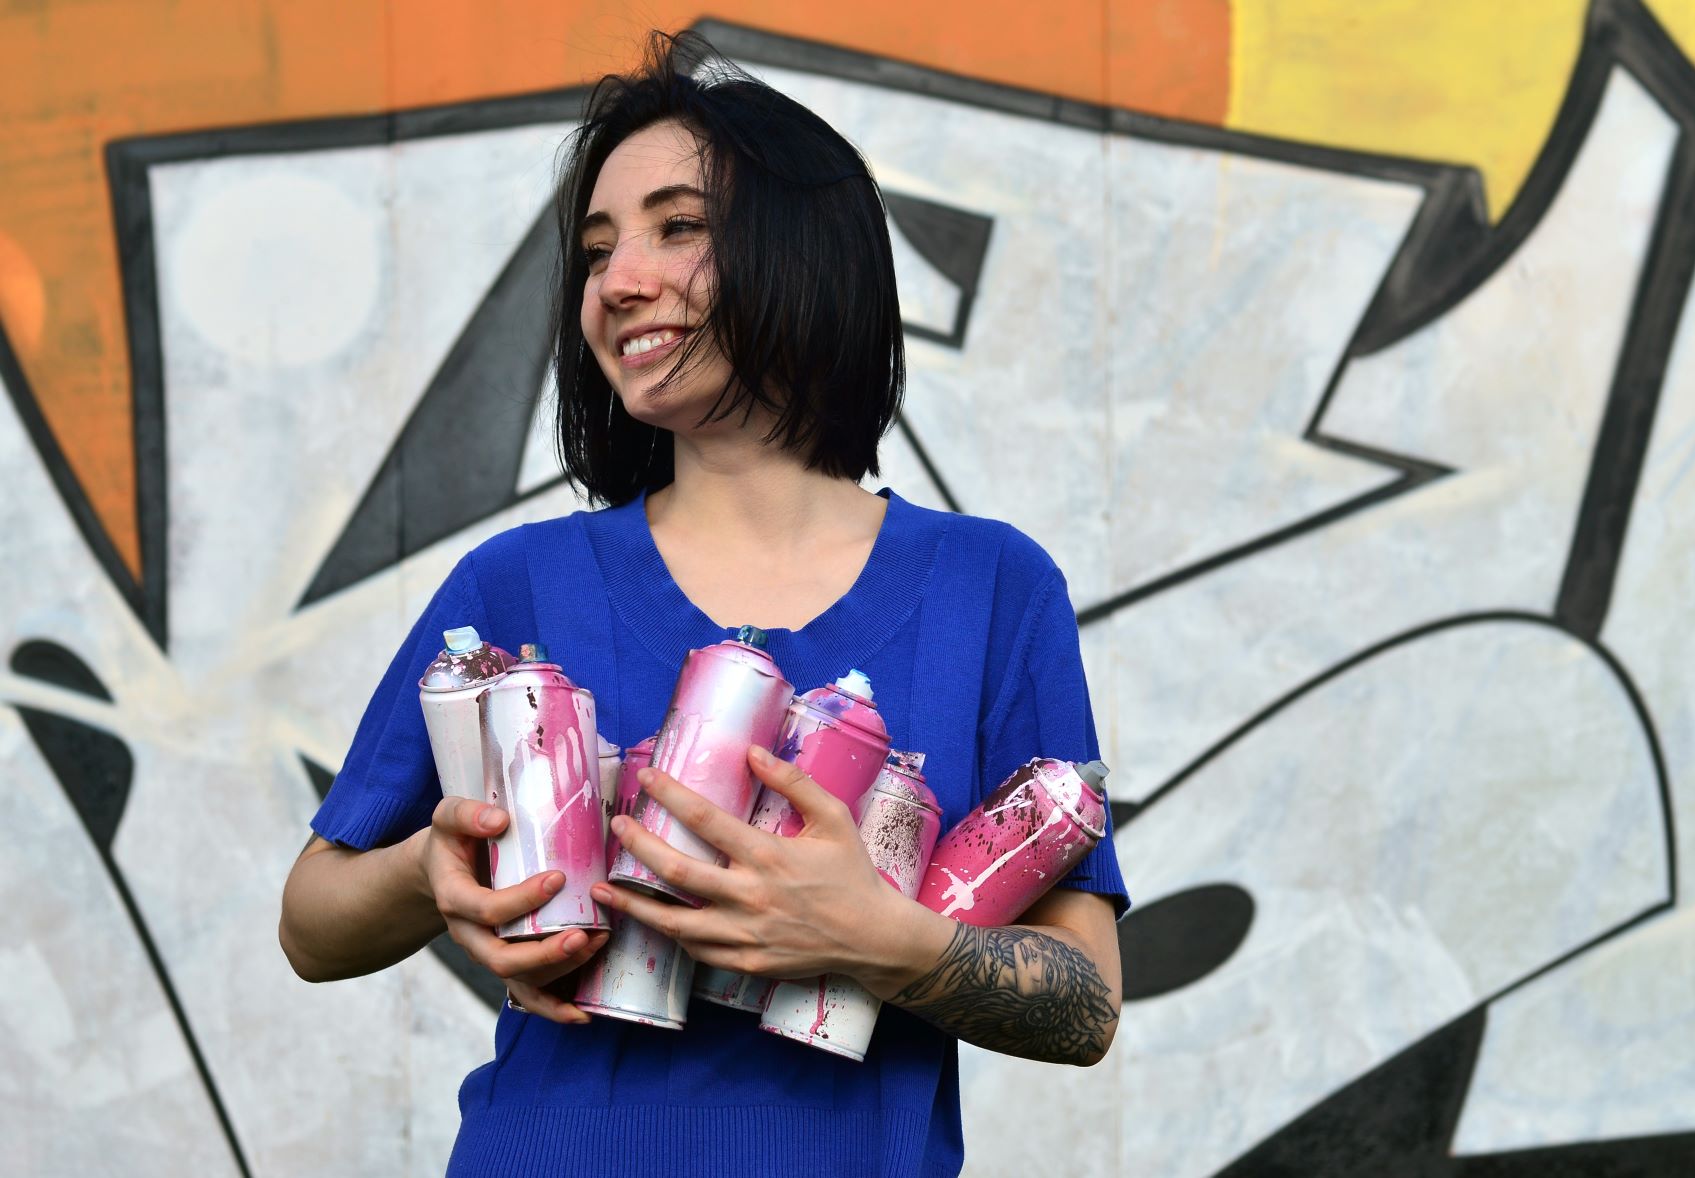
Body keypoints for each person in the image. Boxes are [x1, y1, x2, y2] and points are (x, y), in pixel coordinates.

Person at [278, 31, 1125, 1178]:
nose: (619, 281)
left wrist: (890, 943)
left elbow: (1087, 1002)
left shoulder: (992, 587)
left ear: (806, 248)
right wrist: (430, 868)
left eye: (679, 227)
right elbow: (311, 921)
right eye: (597, 248)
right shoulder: (519, 584)